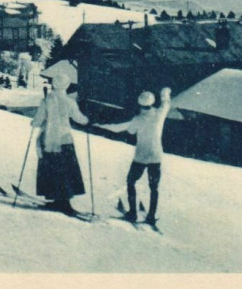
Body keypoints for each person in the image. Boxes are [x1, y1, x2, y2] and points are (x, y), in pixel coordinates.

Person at [96, 87, 171, 225]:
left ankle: (132, 213)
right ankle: (151, 216)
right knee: (154, 187)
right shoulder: (160, 114)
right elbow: (166, 103)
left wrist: (100, 126)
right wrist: (165, 93)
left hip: (140, 156)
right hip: (156, 156)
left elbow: (128, 131)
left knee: (131, 182)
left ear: (139, 104)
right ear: (152, 102)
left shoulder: (138, 119)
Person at [30, 73, 89, 215]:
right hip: (64, 140)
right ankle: (64, 201)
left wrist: (34, 123)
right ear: (67, 86)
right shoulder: (70, 102)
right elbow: (79, 118)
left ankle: (57, 199)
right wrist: (87, 120)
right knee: (66, 170)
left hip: (48, 140)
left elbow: (38, 120)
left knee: (52, 169)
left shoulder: (47, 100)